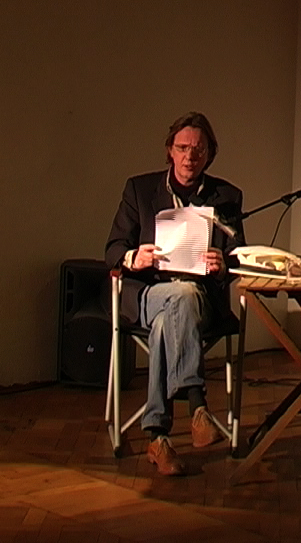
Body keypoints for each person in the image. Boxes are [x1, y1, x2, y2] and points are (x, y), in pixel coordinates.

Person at [105, 111, 246, 476]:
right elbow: (113, 248)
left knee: (169, 319)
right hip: (148, 293)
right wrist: (133, 258)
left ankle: (158, 437)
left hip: (201, 301)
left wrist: (224, 265)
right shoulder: (139, 190)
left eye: (198, 150)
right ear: (170, 150)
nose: (189, 157)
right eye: (182, 148)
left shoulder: (227, 196)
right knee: (177, 297)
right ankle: (196, 404)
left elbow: (239, 257)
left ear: (209, 154)